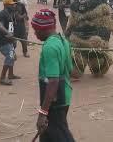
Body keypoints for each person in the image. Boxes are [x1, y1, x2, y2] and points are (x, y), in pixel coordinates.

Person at [31, 9, 75, 142]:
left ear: (44, 29)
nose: (35, 33)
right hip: (64, 95)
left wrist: (43, 113)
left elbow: (53, 82)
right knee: (48, 135)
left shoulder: (49, 47)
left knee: (59, 134)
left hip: (55, 100)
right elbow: (71, 70)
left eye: (36, 30)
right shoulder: (63, 41)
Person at [0, 0, 21, 85]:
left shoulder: (9, 13)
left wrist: (12, 39)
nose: (13, 5)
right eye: (11, 4)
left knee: (13, 56)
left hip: (8, 40)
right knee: (10, 56)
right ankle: (2, 78)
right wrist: (8, 33)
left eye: (13, 4)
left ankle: (10, 75)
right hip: (2, 40)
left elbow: (10, 27)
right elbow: (0, 25)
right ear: (6, 5)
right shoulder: (2, 14)